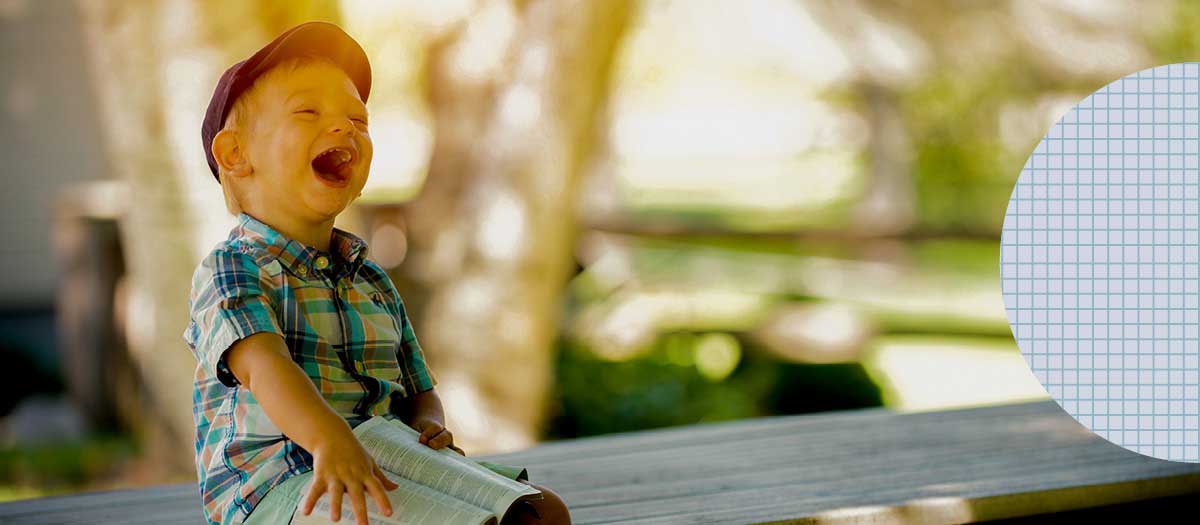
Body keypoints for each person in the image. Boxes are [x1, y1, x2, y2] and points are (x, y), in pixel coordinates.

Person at [184, 21, 570, 525]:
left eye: (357, 119)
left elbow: (417, 387)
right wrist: (330, 439)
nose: (344, 127)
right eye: (307, 111)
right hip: (283, 488)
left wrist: (429, 422)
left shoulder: (370, 279)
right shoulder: (233, 268)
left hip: (387, 460)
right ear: (236, 154)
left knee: (541, 513)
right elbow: (265, 366)